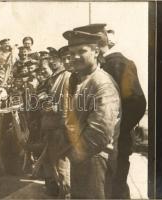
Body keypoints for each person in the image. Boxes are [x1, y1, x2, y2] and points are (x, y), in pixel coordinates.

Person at [74, 23, 147, 198]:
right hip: (101, 141)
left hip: (115, 141)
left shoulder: (118, 63)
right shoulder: (97, 67)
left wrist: (118, 128)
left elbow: (137, 103)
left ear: (97, 43)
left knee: (115, 187)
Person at [62, 28, 121, 199]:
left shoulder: (102, 83)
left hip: (94, 159)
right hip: (83, 158)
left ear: (96, 51)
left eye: (82, 51)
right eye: (72, 52)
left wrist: (73, 154)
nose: (75, 57)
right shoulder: (83, 80)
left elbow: (99, 132)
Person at [38, 47, 71, 198]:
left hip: (59, 127)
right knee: (52, 165)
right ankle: (59, 193)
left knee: (62, 166)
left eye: (54, 58)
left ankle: (66, 195)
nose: (51, 61)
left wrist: (55, 107)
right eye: (50, 58)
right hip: (50, 127)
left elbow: (69, 104)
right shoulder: (54, 77)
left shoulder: (67, 76)